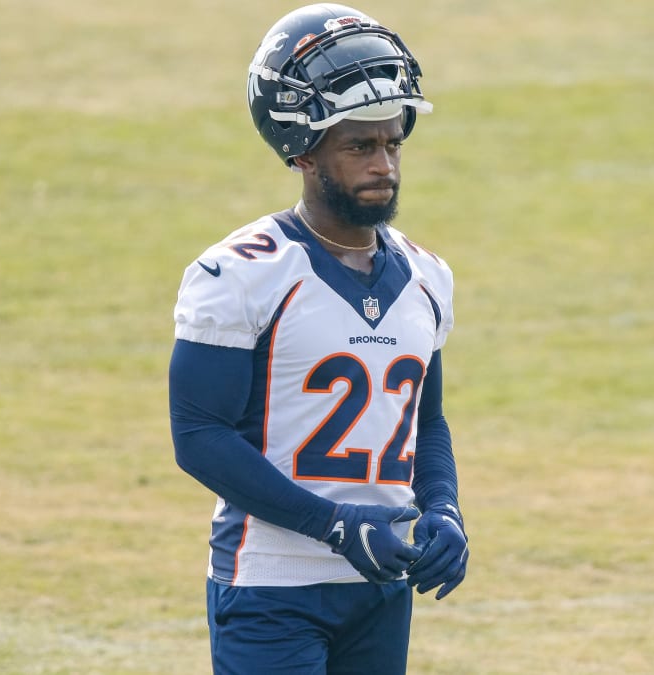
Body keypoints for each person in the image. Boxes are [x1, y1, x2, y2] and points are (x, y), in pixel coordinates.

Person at [168, 4, 468, 673]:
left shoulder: (427, 276)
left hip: (382, 583)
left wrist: (443, 506)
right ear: (303, 151)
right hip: (272, 585)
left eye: (392, 142)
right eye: (359, 146)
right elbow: (198, 435)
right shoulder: (241, 273)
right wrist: (333, 523)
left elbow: (426, 417)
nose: (384, 164)